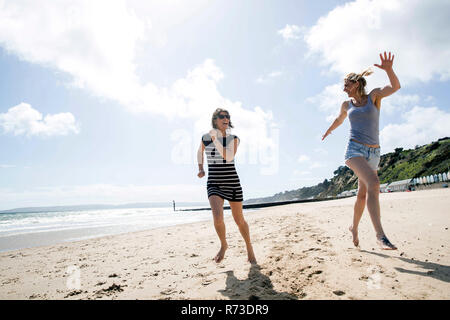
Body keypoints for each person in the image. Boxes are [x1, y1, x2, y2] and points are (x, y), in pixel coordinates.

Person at [322, 52, 400, 250]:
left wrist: (389, 69)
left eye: (347, 85)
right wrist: (329, 130)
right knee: (374, 183)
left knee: (362, 194)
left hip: (374, 152)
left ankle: (353, 228)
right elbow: (339, 120)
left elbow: (394, 87)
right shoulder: (346, 105)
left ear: (356, 84)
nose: (344, 88)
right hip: (354, 150)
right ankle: (380, 236)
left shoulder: (373, 96)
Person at [197, 108, 257, 263]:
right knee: (217, 218)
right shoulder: (205, 138)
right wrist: (200, 168)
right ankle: (224, 245)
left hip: (232, 183)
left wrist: (215, 139)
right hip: (214, 183)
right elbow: (200, 151)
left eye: (228, 117)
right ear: (215, 120)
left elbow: (228, 156)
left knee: (239, 220)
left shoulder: (234, 139)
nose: (226, 119)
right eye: (222, 116)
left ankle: (249, 247)